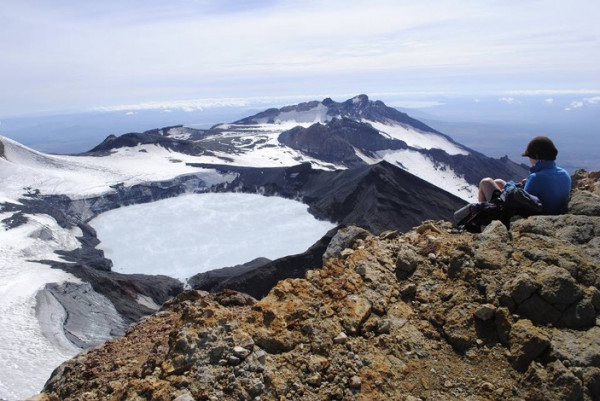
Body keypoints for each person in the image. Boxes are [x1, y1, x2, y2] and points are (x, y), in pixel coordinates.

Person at [478, 136, 571, 215]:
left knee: (486, 182)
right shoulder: (565, 174)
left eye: (530, 156)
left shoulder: (536, 178)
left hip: (533, 215)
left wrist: (510, 186)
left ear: (537, 157)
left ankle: (481, 216)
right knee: (499, 182)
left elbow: (520, 202)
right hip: (551, 212)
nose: (529, 160)